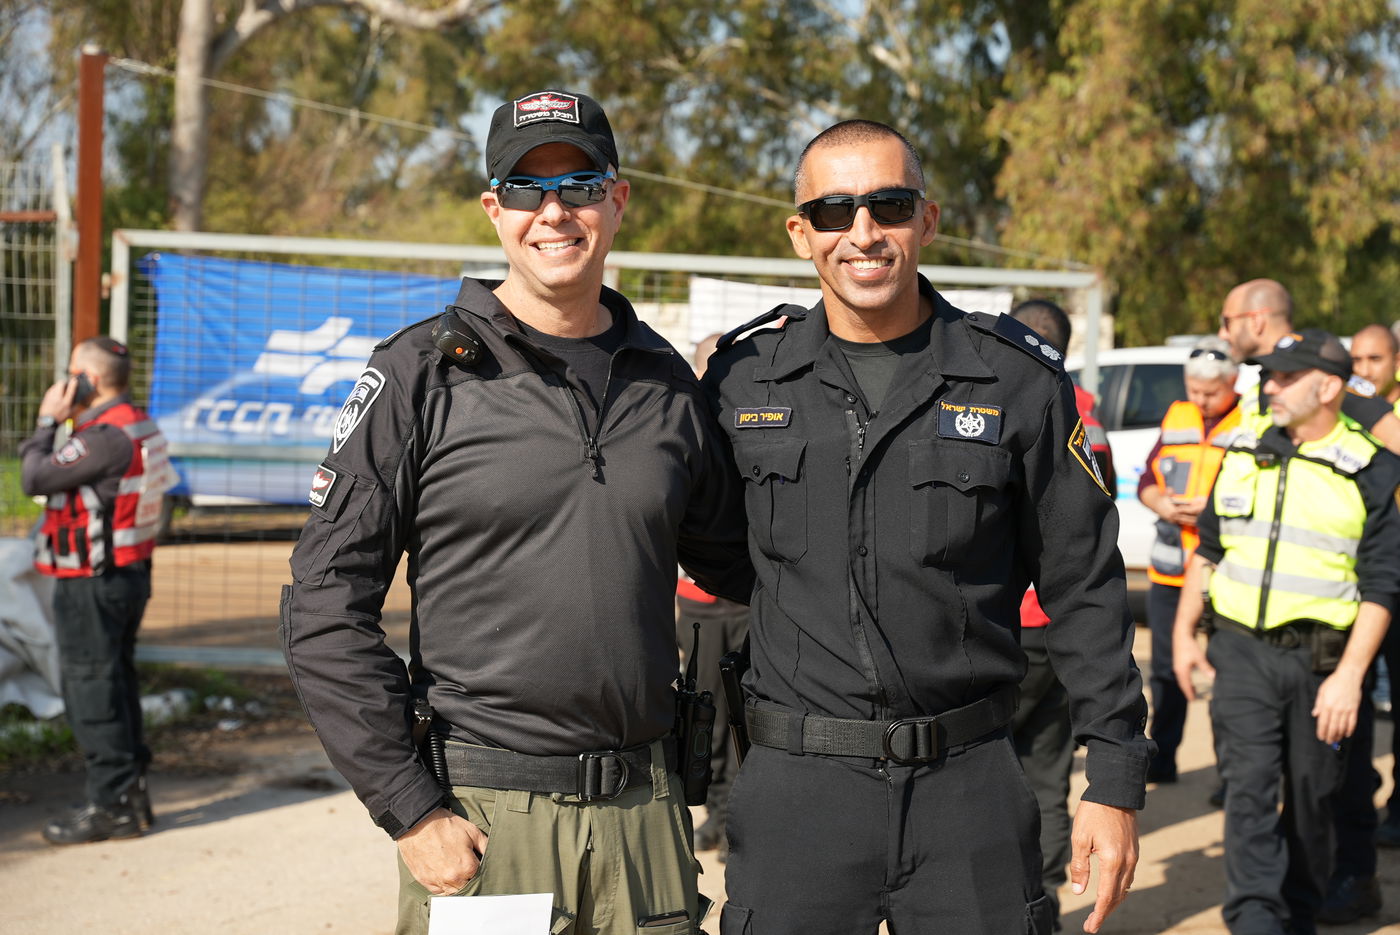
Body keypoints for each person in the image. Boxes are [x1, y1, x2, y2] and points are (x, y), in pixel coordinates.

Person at [281, 89, 751, 935]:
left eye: (579, 183)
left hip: (644, 820)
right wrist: (411, 807)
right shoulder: (421, 373)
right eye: (528, 189)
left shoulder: (668, 386)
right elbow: (321, 603)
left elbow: (750, 567)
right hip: (488, 822)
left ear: (618, 198)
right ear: (495, 208)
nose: (555, 211)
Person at [703, 119, 1149, 935]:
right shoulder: (740, 381)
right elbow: (720, 555)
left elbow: (1084, 582)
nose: (863, 233)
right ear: (801, 233)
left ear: (928, 220)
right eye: (835, 211)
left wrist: (1115, 777)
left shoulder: (1015, 379)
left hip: (969, 787)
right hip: (800, 789)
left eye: (889, 204)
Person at [1172, 328, 1400, 935]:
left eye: (1284, 377)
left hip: (1322, 667)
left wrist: (1351, 678)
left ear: (1328, 387)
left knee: (1310, 804)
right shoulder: (1244, 447)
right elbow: (1213, 548)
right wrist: (1183, 632)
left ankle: (1295, 917)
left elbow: (1383, 585)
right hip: (1242, 653)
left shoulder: (1374, 470)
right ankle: (1255, 922)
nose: (1267, 386)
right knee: (1246, 795)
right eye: (1267, 375)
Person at [20, 336, 174, 844]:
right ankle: (131, 798)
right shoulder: (137, 422)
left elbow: (34, 475)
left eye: (71, 373)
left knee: (92, 689)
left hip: (94, 580)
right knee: (115, 683)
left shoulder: (105, 435)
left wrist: (46, 423)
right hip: (125, 574)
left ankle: (111, 806)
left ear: (89, 378)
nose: (64, 383)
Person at [1007, 297, 1116, 928]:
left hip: (1014, 625)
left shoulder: (1012, 403)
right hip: (1063, 628)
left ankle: (1013, 895)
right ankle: (1041, 900)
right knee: (1048, 770)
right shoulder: (1090, 418)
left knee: (992, 765)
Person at [1138, 337, 1240, 787]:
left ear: (1233, 382)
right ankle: (1163, 759)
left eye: (1209, 392)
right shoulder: (1177, 415)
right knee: (1163, 670)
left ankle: (1231, 775)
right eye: (1193, 389)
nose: (1199, 399)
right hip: (1170, 570)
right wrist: (1162, 503)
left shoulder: (1250, 423)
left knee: (1228, 676)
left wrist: (1214, 508)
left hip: (1225, 573)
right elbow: (1147, 479)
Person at [676, 331, 749, 860]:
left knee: (745, 715)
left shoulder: (758, 427)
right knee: (706, 716)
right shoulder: (681, 424)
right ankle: (715, 816)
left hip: (747, 601)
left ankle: (737, 818)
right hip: (696, 605)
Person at [1217, 279, 1400, 453]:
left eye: (1227, 322)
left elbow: (1394, 437)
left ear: (1256, 321)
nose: (1222, 334)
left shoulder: (1319, 371)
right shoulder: (1261, 381)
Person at [1351, 323, 1400, 853]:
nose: (1365, 371)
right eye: (1357, 361)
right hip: (1359, 572)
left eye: (1376, 359)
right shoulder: (1347, 411)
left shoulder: (1377, 414)